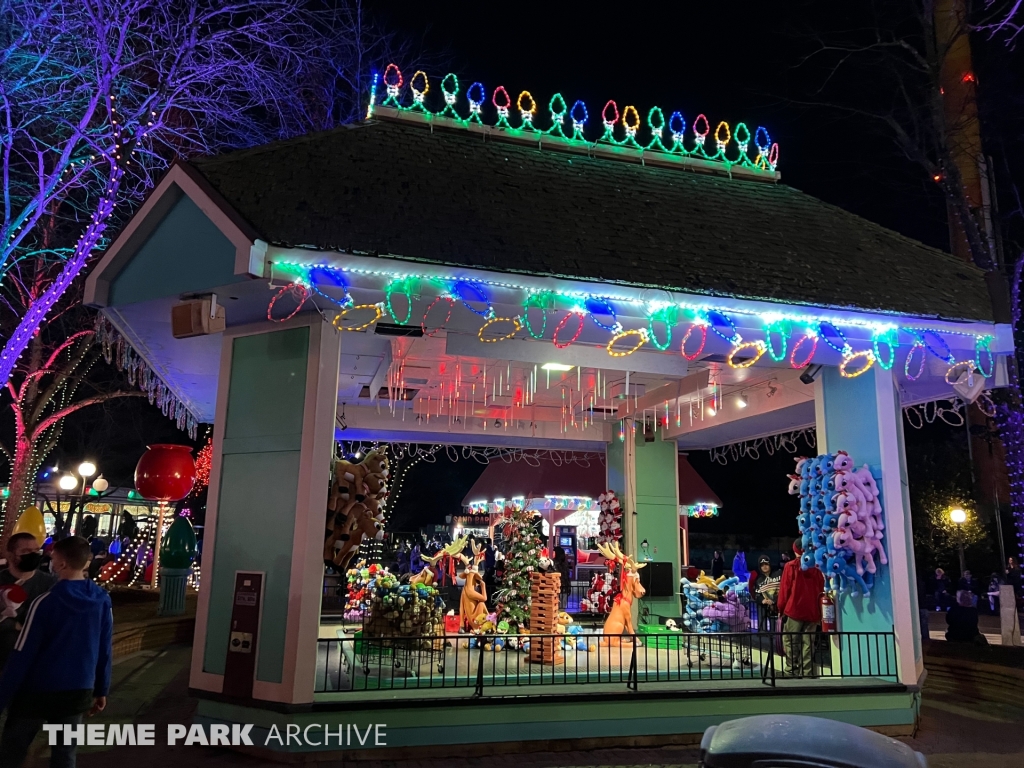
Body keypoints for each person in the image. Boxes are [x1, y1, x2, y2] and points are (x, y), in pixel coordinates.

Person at [0, 536, 112, 768]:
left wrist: (3, 695)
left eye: (52, 558)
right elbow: (104, 647)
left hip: (36, 692)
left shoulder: (46, 602)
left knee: (13, 750)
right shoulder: (102, 600)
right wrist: (101, 688)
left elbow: (23, 652)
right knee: (64, 754)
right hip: (77, 690)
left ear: (61, 565)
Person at [0, 533, 57, 673]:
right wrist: (15, 625)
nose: (33, 555)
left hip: (36, 665)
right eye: (25, 551)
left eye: (36, 551)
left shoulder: (50, 584)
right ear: (10, 554)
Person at [776, 539, 824, 678]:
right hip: (813, 612)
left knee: (791, 641)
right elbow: (821, 589)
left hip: (794, 610)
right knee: (808, 643)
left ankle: (792, 669)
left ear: (795, 550)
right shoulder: (817, 567)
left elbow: (785, 591)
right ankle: (807, 673)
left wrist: (780, 609)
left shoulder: (791, 566)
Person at [750, 556, 781, 632]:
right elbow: (757, 594)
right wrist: (763, 600)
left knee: (776, 630)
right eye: (762, 565)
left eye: (766, 564)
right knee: (763, 629)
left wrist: (775, 600)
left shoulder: (779, 574)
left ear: (769, 564)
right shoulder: (758, 580)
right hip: (764, 607)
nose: (764, 566)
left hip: (778, 606)